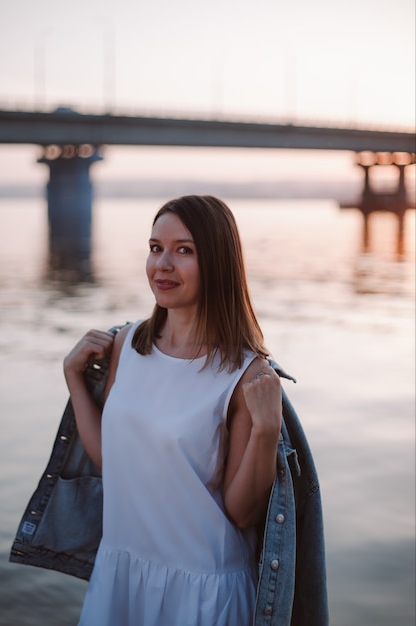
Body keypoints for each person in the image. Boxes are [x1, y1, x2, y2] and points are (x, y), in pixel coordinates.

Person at [64, 195, 283, 626]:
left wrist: (266, 431)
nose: (162, 264)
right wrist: (74, 380)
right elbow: (112, 461)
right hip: (121, 573)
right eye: (155, 247)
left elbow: (241, 513)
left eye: (184, 250)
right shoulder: (127, 344)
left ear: (217, 262)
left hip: (201, 590)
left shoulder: (243, 373)